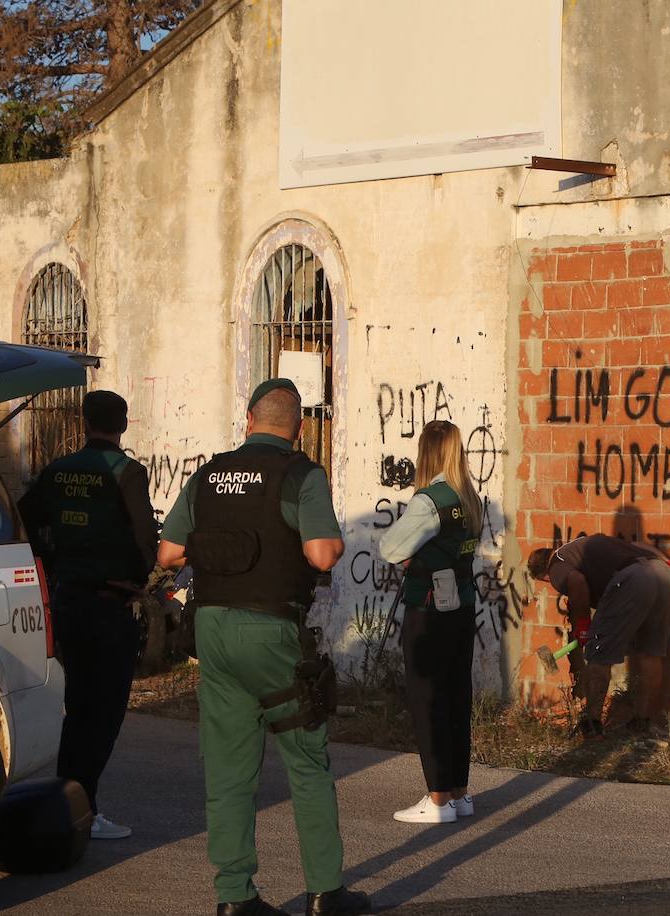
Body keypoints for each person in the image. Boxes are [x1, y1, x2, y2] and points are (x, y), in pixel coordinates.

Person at [156, 379, 369, 916]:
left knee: (228, 770)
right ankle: (325, 892)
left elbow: (168, 552)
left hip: (211, 630)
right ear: (298, 428)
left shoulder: (209, 473)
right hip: (272, 632)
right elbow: (322, 555)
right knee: (307, 762)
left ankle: (235, 897)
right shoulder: (301, 473)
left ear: (248, 419)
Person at [18, 389, 157, 841]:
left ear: (84, 420)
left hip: (67, 600)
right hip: (108, 604)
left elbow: (24, 519)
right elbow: (144, 541)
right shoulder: (128, 473)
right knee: (106, 711)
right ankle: (86, 806)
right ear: (124, 425)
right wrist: (137, 577)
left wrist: (54, 563)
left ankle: (67, 802)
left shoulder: (57, 471)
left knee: (77, 706)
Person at [379, 420, 482, 824]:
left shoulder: (430, 500)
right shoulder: (469, 496)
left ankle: (438, 799)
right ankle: (458, 792)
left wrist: (412, 554)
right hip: (463, 605)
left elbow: (389, 547)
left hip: (429, 608)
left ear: (428, 452)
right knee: (457, 696)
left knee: (428, 700)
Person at [527, 534, 670, 739]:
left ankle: (592, 725)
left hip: (634, 580)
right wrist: (668, 566)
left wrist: (582, 627)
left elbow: (577, 581)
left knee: (598, 653)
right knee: (650, 652)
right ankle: (642, 723)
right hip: (665, 575)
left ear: (544, 576)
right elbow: (640, 546)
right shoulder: (580, 547)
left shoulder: (557, 565)